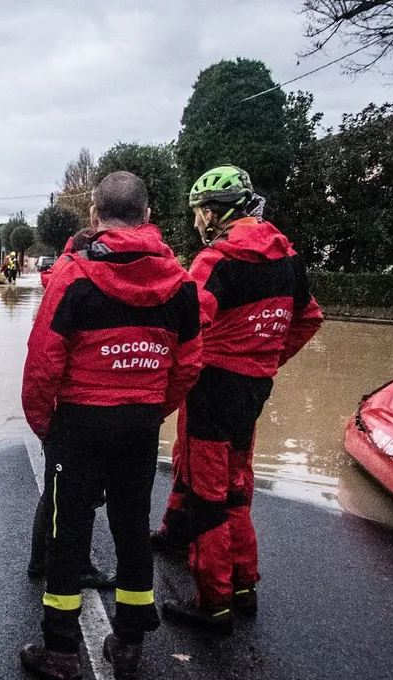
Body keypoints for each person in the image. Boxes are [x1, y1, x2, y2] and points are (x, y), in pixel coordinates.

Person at [19, 172, 203, 680]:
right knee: (131, 528)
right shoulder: (182, 283)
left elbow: (42, 361)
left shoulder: (73, 276)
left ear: (95, 216)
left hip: (78, 422)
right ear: (147, 216)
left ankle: (59, 650)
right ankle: (129, 644)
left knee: (67, 534)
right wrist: (152, 409)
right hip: (139, 423)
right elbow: (189, 365)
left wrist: (45, 425)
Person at [153, 166, 323, 633]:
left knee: (211, 492)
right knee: (234, 479)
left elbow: (188, 327)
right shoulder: (289, 258)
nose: (195, 224)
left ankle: (214, 601)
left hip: (212, 385)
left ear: (214, 211)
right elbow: (308, 319)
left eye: (198, 214)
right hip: (254, 386)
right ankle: (241, 582)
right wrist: (267, 357)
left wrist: (165, 382)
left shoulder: (215, 261)